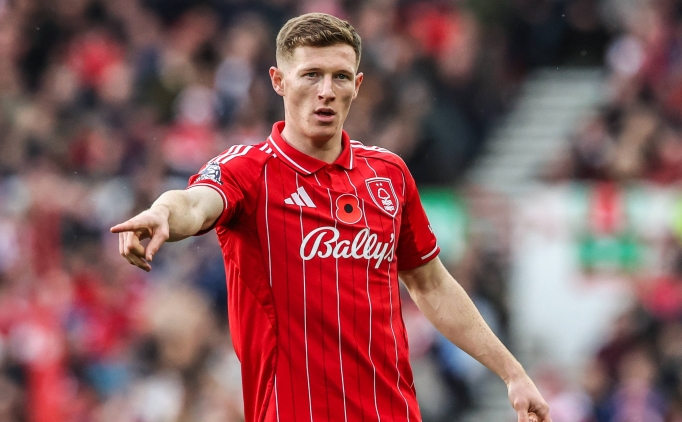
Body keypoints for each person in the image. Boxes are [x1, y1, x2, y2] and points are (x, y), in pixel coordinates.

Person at [112, 12, 552, 422]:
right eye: (311, 75)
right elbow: (194, 203)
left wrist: (512, 373)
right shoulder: (247, 171)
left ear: (357, 85)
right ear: (279, 81)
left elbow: (431, 284)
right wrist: (162, 212)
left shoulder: (389, 174)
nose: (326, 90)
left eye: (340, 76)